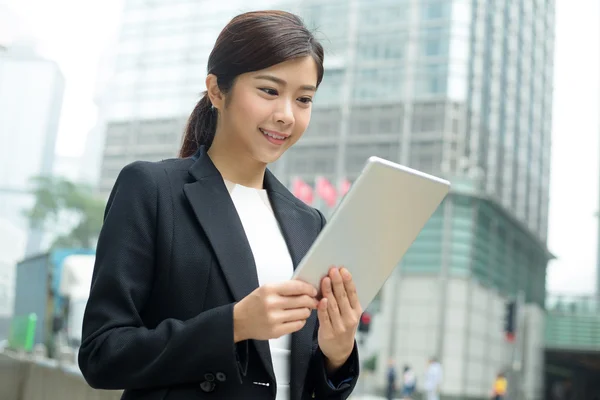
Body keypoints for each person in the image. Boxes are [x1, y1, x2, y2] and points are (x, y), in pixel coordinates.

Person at [77, 10, 360, 400]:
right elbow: (102, 353)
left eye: (304, 99)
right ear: (216, 90)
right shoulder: (152, 190)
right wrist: (233, 325)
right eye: (269, 90)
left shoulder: (308, 222)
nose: (286, 115)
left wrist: (337, 352)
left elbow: (304, 384)